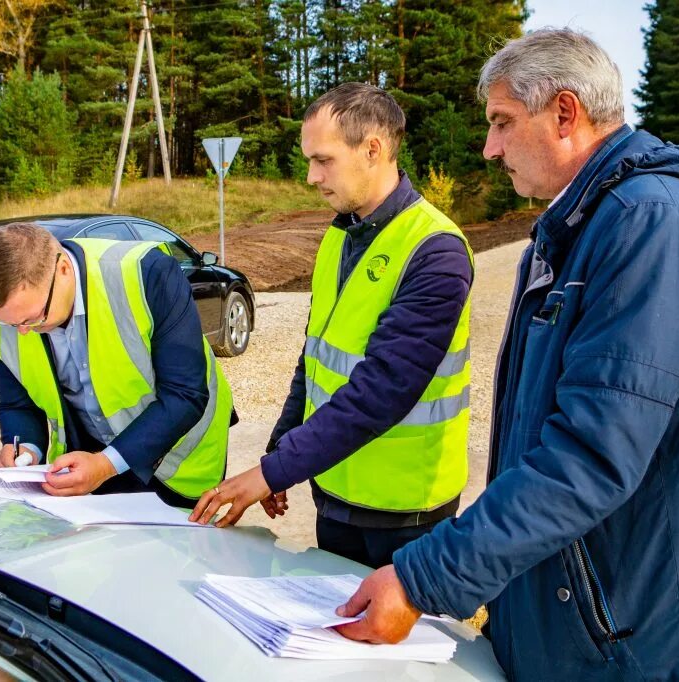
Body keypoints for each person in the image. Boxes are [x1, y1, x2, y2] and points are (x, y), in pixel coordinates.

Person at [332, 28, 679, 681]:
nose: (489, 148)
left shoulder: (651, 224)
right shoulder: (574, 230)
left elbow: (591, 454)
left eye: (501, 122)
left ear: (564, 113)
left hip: (651, 646)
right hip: (590, 626)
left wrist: (422, 578)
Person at [190, 83, 475, 570]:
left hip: (407, 513)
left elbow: (383, 390)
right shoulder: (338, 237)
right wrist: (280, 452)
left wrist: (271, 471)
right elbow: (315, 358)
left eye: (323, 161)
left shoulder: (436, 251)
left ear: (372, 150)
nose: (310, 177)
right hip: (336, 494)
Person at [0, 223, 234, 506]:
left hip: (177, 459)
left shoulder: (148, 274)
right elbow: (17, 401)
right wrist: (23, 446)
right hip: (84, 464)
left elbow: (185, 394)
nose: (22, 331)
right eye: (11, 323)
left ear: (63, 270)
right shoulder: (5, 312)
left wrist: (106, 464)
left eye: (35, 317)